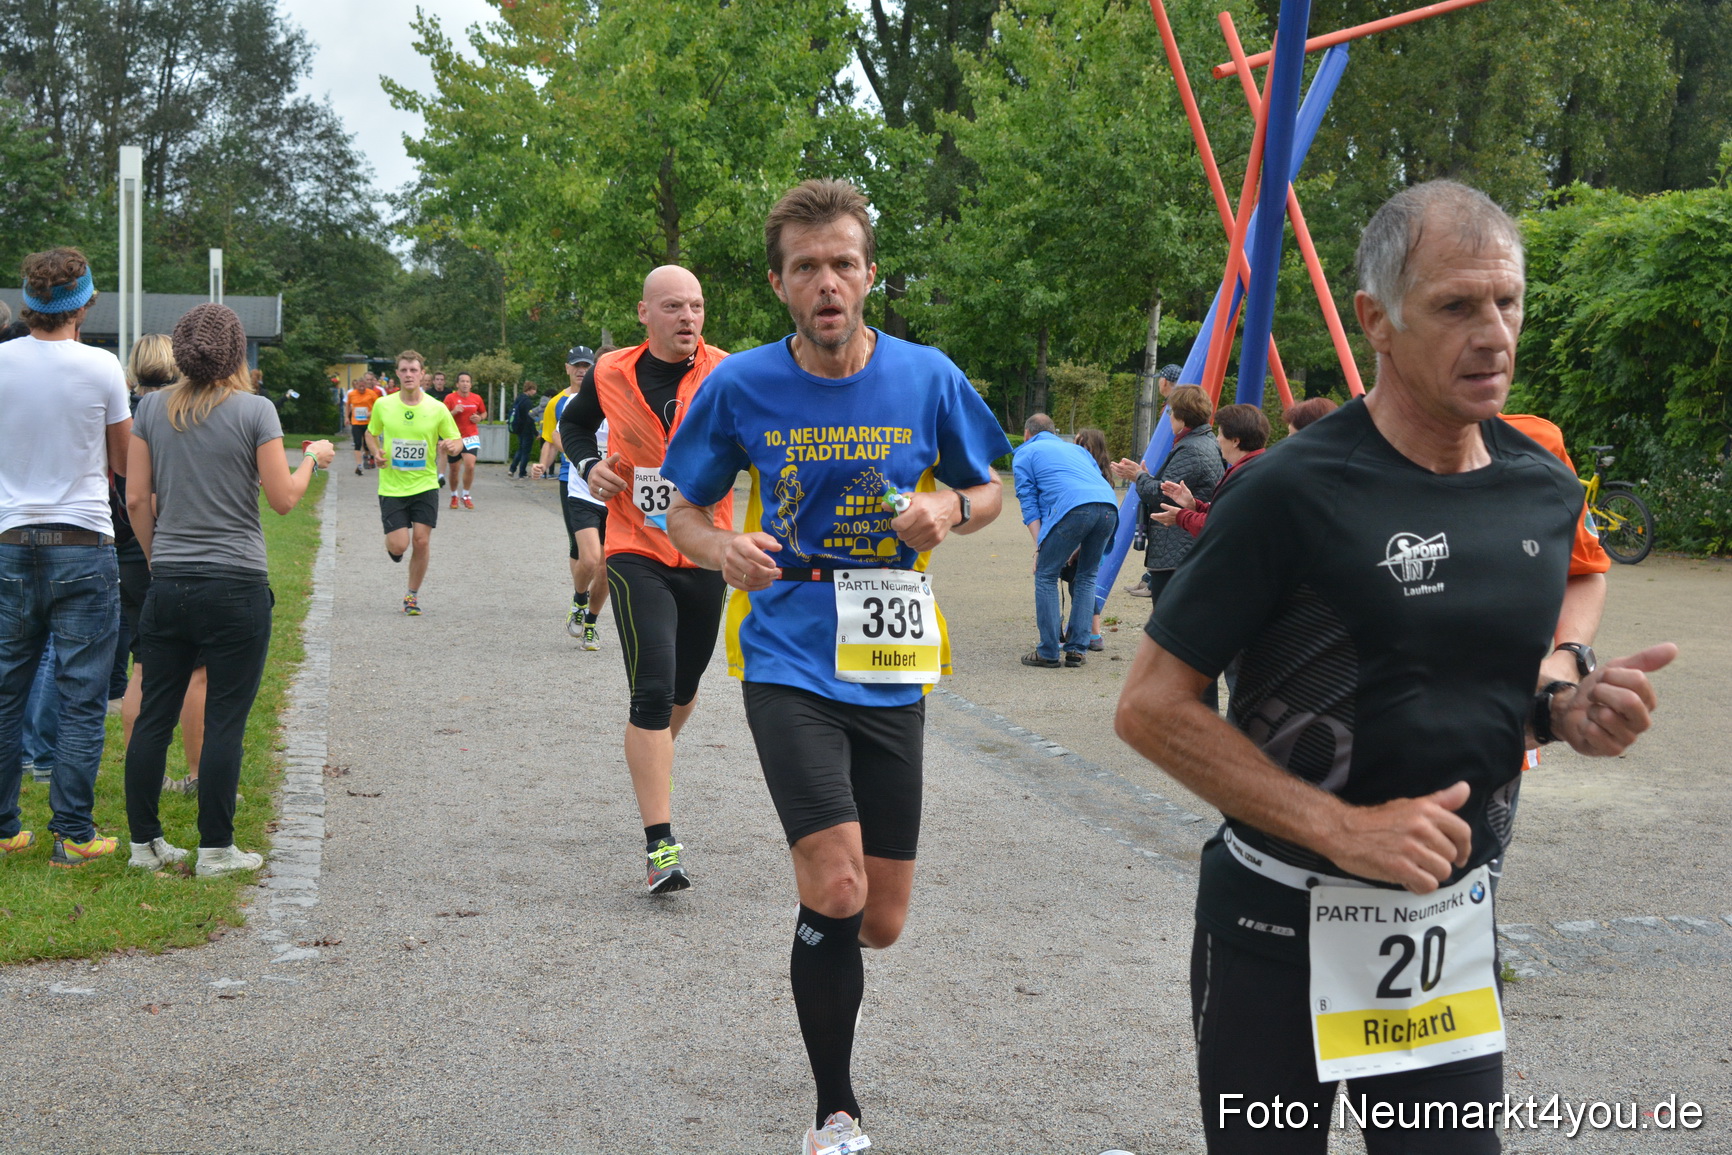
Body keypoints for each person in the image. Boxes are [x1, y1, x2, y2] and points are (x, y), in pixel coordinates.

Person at [1113, 180, 1676, 1154]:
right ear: (1374, 320)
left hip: (1439, 938)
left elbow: (1483, 687)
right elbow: (1150, 705)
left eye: (1506, 301)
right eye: (1457, 305)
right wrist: (1344, 829)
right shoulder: (1289, 492)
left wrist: (1567, 708)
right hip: (1276, 928)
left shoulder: (1540, 489)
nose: (1493, 333)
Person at [663, 178, 1010, 1155]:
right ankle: (835, 1111)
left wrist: (949, 511)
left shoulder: (927, 375)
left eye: (843, 264)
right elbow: (682, 510)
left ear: (866, 276)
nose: (827, 282)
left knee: (882, 917)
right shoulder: (737, 387)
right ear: (779, 285)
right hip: (784, 650)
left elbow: (989, 488)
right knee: (837, 882)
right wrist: (718, 548)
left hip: (891, 652)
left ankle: (825, 950)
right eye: (806, 267)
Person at [125, 305, 335, 874]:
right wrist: (312, 459)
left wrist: (155, 559)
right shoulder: (255, 411)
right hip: (235, 583)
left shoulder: (149, 408)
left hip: (169, 580)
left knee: (153, 715)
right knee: (224, 717)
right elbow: (283, 497)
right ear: (237, 352)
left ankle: (143, 844)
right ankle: (216, 847)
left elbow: (138, 500)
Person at [558, 268, 730, 894]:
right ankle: (661, 846)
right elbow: (574, 427)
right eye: (674, 307)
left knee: (683, 690)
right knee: (653, 691)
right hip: (634, 547)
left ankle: (648, 752)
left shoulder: (727, 373)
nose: (689, 317)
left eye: (698, 306)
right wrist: (588, 464)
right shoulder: (608, 371)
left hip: (706, 551)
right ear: (644, 313)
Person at [0, 247, 132, 867]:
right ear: (82, 303)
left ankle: (4, 827)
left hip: (9, 543)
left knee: (6, 692)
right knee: (82, 696)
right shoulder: (102, 367)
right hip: (82, 542)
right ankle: (73, 834)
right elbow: (125, 462)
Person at [116, 335, 208, 795]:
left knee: (141, 666)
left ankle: (144, 773)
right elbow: (145, 495)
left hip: (122, 546)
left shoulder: (119, 414)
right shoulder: (176, 415)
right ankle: (196, 772)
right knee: (196, 669)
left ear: (133, 372)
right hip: (167, 545)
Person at [1012, 414, 1118, 668]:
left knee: (1046, 574)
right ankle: (1078, 649)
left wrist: (1040, 546)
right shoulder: (1077, 450)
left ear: (1027, 433)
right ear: (1054, 432)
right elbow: (1094, 485)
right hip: (1108, 507)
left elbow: (1029, 503)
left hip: (1074, 509)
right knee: (1087, 577)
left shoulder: (1025, 453)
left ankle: (1048, 651)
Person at [365, 351, 463, 615]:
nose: (409, 374)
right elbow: (370, 433)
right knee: (399, 545)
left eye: (413, 370)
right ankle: (393, 548)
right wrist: (375, 452)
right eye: (404, 370)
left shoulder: (437, 408)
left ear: (422, 374)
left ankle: (412, 595)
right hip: (392, 486)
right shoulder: (383, 405)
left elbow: (457, 441)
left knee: (421, 541)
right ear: (397, 373)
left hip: (425, 485)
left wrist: (453, 445)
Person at [1111, 384, 1223, 610]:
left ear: (1181, 417)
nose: (1168, 417)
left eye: (1170, 412)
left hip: (1177, 548)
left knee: (1167, 619)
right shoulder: (1206, 441)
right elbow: (1173, 487)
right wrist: (1143, 476)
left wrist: (1139, 477)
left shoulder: (1191, 448)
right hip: (1189, 545)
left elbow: (1162, 495)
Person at [533, 347, 608, 646]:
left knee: (607, 566)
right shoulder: (570, 403)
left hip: (617, 496)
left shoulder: (631, 401)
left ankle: (590, 621)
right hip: (580, 488)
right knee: (588, 557)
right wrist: (544, 464)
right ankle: (579, 599)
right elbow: (554, 439)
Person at [1153, 402, 1270, 538]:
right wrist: (1195, 505)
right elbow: (1227, 512)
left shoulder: (1246, 476)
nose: (1218, 440)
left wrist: (1181, 517)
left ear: (1235, 441)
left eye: (1220, 434)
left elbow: (1219, 524)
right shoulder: (1255, 468)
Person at [443, 372, 487, 508]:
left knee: (470, 466)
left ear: (471, 384)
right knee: (454, 469)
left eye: (467, 381)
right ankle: (454, 495)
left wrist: (480, 418)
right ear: (457, 384)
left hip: (471, 436)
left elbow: (484, 412)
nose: (465, 384)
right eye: (462, 381)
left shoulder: (477, 398)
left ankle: (466, 495)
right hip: (455, 437)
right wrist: (453, 412)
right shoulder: (450, 398)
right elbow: (442, 417)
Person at [345, 373, 384, 474]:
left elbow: (378, 405)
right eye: (360, 386)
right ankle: (359, 465)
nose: (362, 388)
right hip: (356, 422)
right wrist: (346, 417)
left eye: (363, 386)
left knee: (367, 445)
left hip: (368, 422)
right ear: (356, 385)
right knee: (357, 443)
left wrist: (371, 413)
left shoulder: (371, 393)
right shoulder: (351, 394)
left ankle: (368, 455)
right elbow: (348, 405)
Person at [507, 380, 539, 478]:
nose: (535, 392)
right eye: (534, 390)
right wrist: (536, 433)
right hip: (527, 430)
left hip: (519, 429)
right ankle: (522, 472)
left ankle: (512, 469)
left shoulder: (519, 398)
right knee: (526, 452)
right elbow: (529, 418)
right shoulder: (527, 402)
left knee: (520, 449)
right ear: (530, 389)